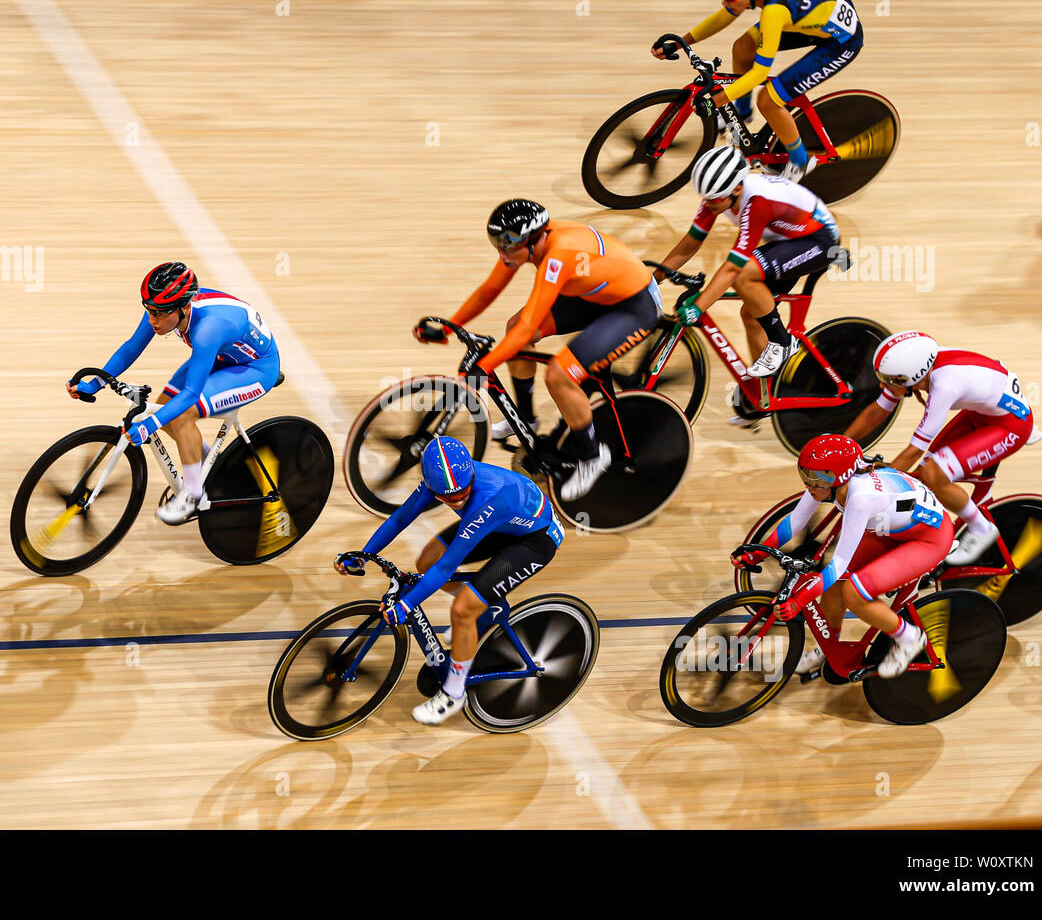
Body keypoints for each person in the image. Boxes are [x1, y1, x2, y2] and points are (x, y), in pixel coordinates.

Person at [417, 199, 662, 500]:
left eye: (506, 245)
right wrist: (447, 327)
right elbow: (490, 290)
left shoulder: (559, 256)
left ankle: (593, 456)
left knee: (559, 375)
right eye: (497, 243)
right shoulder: (524, 245)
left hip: (633, 307)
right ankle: (525, 418)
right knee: (514, 325)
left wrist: (485, 367)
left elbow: (528, 325)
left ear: (533, 240)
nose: (501, 252)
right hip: (593, 293)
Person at [335, 437, 565, 725]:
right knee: (426, 560)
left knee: (462, 609)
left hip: (535, 540)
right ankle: (480, 611)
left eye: (461, 492)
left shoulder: (484, 499)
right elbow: (399, 519)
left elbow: (447, 569)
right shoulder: (442, 483)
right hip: (504, 525)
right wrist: (363, 555)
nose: (456, 500)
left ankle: (454, 694)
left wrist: (406, 605)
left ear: (470, 475)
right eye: (447, 497)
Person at [68, 262, 280, 524]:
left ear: (184, 308)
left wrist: (148, 426)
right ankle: (212, 467)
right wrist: (96, 383)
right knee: (165, 407)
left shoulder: (207, 330)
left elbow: (191, 394)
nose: (151, 319)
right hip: (225, 355)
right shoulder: (165, 309)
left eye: (158, 313)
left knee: (180, 415)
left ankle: (192, 496)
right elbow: (131, 348)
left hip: (255, 368)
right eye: (149, 310)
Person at [732, 434, 950, 679]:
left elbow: (838, 564)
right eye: (806, 476)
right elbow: (795, 522)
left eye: (815, 479)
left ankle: (910, 638)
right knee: (834, 587)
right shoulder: (828, 483)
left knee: (854, 593)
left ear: (838, 478)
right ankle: (829, 647)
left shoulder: (859, 498)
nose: (809, 485)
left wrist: (799, 601)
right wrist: (756, 553)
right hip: (889, 528)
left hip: (928, 540)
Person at [654, 0, 864, 182]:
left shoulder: (774, 11)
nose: (725, 2)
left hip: (841, 43)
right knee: (742, 47)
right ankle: (742, 112)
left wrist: (716, 101)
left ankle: (801, 162)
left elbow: (758, 74)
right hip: (810, 20)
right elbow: (725, 15)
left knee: (769, 100)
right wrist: (680, 43)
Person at [843, 331, 1038, 565]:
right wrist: (843, 445)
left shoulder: (944, 386)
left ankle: (981, 528)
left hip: (1011, 425)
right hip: (983, 413)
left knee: (933, 473)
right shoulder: (914, 369)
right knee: (922, 479)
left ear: (913, 376)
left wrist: (879, 485)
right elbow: (877, 411)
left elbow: (914, 450)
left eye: (889, 380)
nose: (882, 384)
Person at [655, 145, 839, 391]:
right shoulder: (719, 195)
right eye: (705, 198)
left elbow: (733, 269)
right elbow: (692, 242)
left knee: (742, 275)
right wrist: (654, 278)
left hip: (820, 241)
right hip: (788, 240)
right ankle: (765, 393)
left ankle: (783, 343)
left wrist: (699, 308)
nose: (708, 205)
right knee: (752, 314)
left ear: (737, 188)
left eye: (714, 199)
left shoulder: (756, 203)